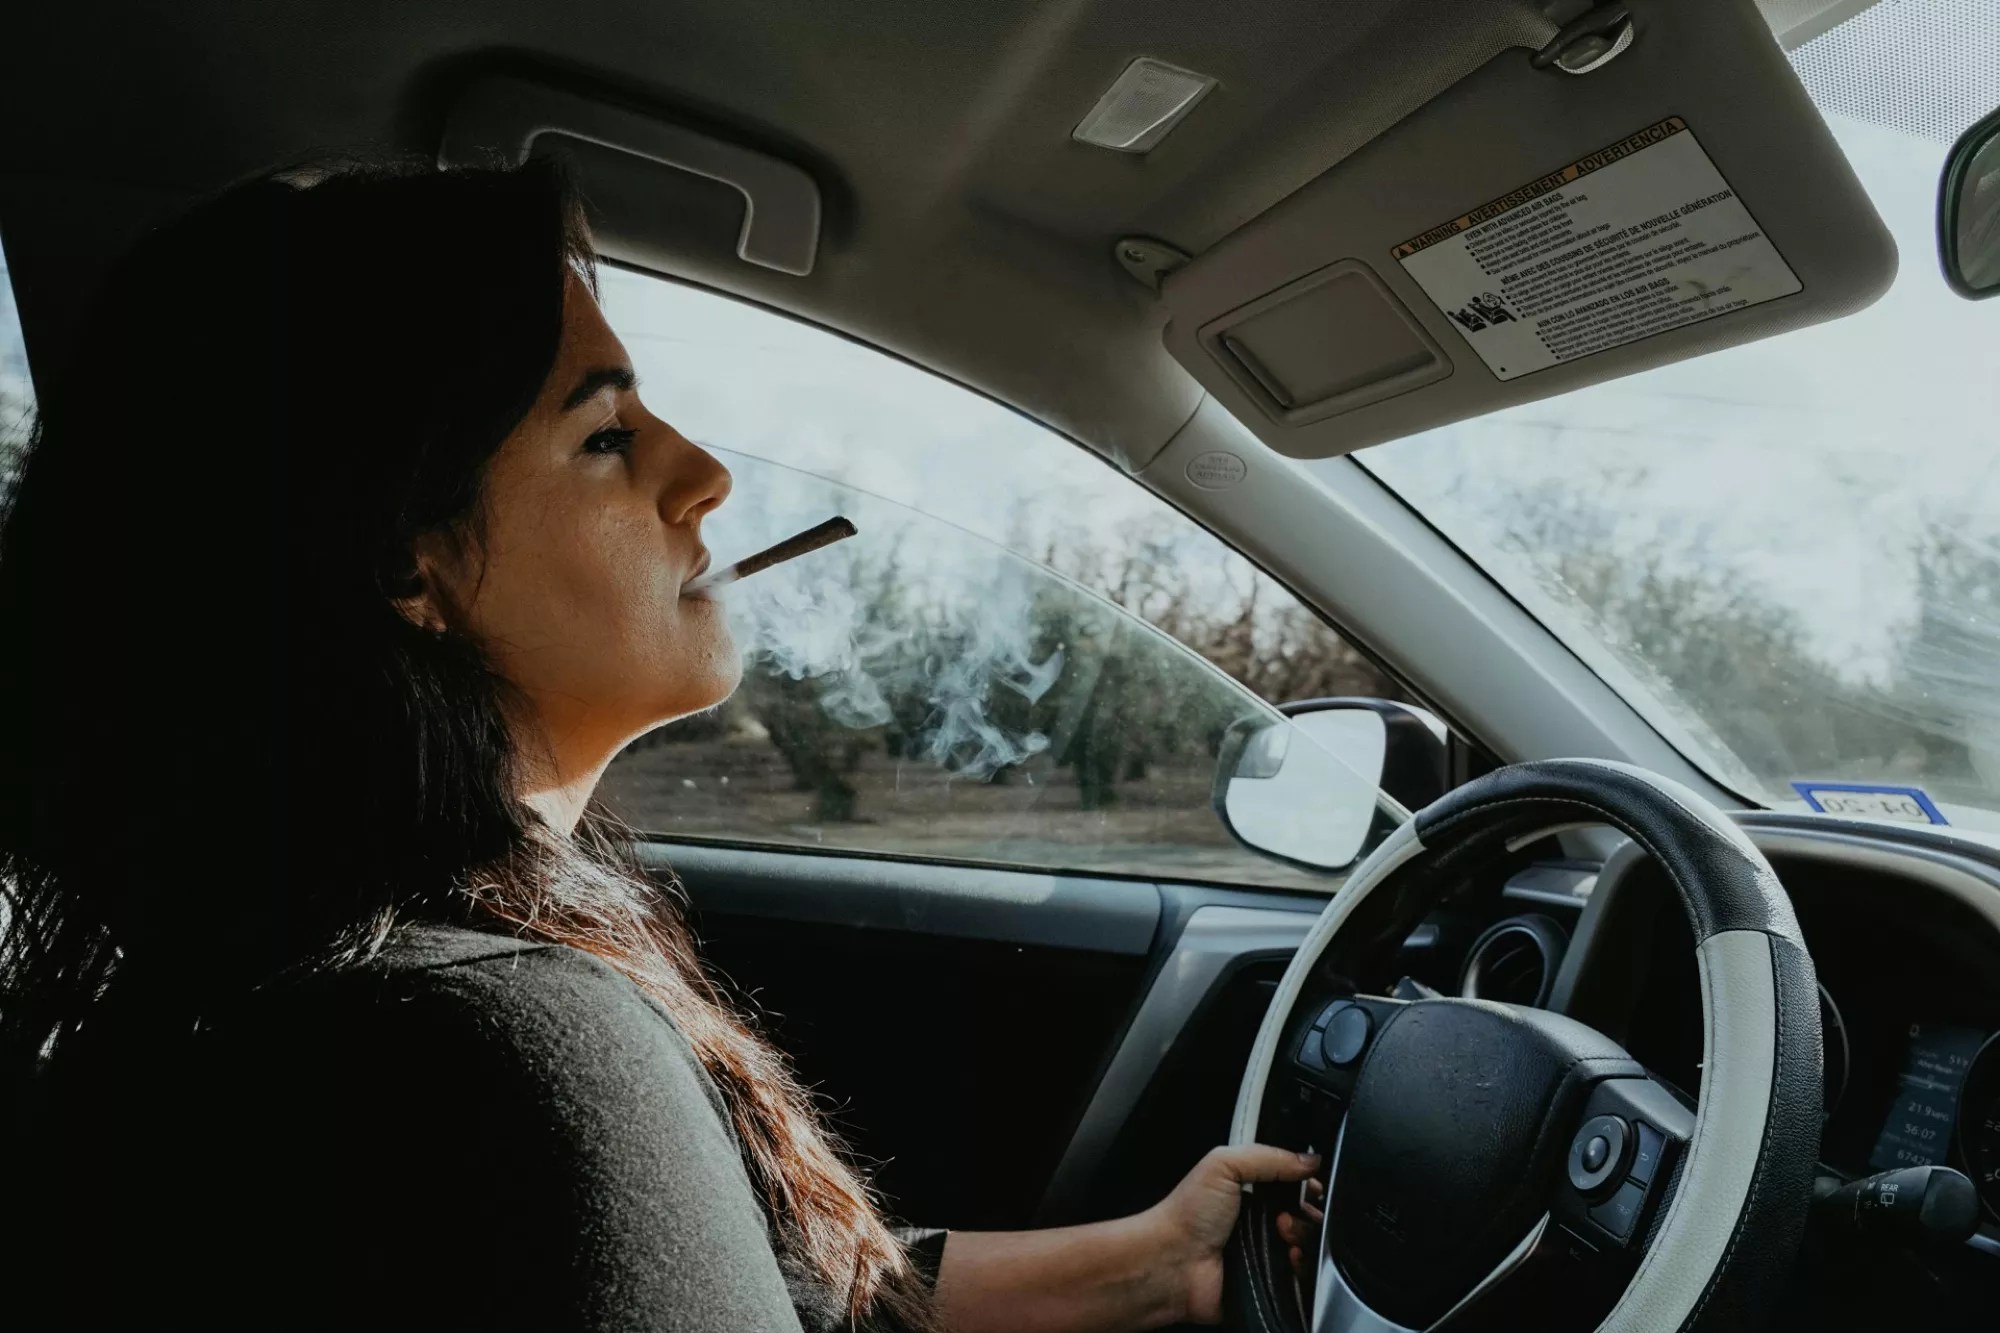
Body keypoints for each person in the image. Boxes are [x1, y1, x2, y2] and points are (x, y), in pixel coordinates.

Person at [0, 158, 1323, 1331]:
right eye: (606, 435)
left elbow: (779, 1289)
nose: (704, 476)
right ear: (407, 559)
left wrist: (1155, 1267)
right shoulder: (493, 1043)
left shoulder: (346, 969)